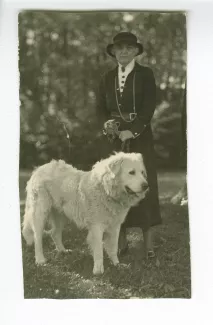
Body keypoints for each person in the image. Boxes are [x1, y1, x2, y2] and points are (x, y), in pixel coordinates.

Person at [96, 32, 162, 258]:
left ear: (136, 51)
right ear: (113, 52)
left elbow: (148, 108)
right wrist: (107, 125)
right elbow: (100, 109)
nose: (123, 51)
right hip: (114, 140)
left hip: (140, 136)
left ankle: (149, 245)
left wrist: (131, 131)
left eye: (128, 47)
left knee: (143, 183)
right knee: (116, 187)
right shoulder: (107, 77)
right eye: (119, 48)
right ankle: (120, 242)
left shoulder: (145, 74)